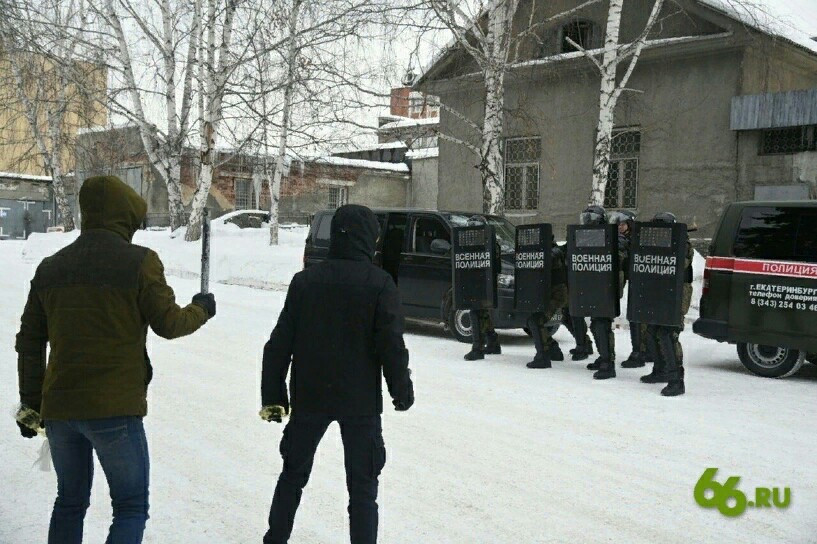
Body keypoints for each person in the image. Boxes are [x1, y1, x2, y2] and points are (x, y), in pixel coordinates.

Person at [14, 175, 215, 544]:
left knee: (70, 502)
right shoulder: (140, 262)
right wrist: (201, 309)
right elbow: (169, 324)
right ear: (125, 217)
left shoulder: (51, 267)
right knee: (130, 506)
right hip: (115, 411)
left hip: (59, 410)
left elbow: (29, 343)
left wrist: (30, 405)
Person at [260, 204, 414, 544]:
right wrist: (401, 390)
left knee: (292, 475)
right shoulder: (379, 283)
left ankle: (275, 539)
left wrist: (274, 399)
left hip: (310, 396)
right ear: (368, 238)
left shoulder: (305, 282)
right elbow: (391, 343)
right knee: (363, 489)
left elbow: (278, 345)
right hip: (360, 402)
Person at [640, 212, 693, 396]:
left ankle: (676, 379)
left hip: (678, 294)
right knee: (652, 330)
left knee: (668, 333)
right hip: (661, 291)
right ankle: (660, 370)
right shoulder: (660, 242)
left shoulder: (683, 244)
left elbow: (678, 264)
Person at [580, 205, 626, 380]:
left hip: (607, 286)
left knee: (602, 324)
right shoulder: (587, 235)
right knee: (595, 322)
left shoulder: (614, 237)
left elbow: (619, 253)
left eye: (589, 218)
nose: (586, 221)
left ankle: (608, 363)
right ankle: (603, 357)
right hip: (594, 285)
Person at [609, 211, 650, 369]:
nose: (619, 227)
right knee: (636, 318)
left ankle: (639, 353)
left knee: (637, 318)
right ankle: (643, 351)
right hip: (634, 281)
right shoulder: (624, 238)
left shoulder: (635, 239)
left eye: (623, 224)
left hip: (641, 283)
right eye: (618, 225)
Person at [526, 237, 569, 369]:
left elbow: (547, 260)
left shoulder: (554, 252)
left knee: (536, 320)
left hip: (557, 295)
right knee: (533, 321)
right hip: (549, 293)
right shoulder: (549, 252)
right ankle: (553, 350)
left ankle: (543, 356)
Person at [463, 216, 502, 361]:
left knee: (475, 312)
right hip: (484, 283)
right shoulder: (491, 244)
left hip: (481, 283)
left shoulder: (484, 245)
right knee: (483, 313)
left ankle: (477, 348)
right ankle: (493, 342)